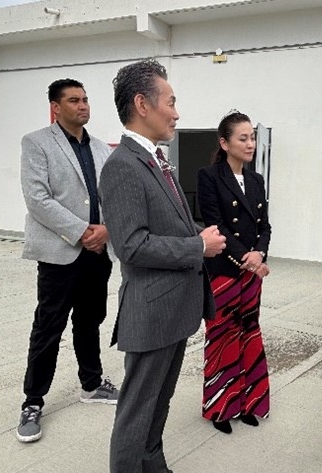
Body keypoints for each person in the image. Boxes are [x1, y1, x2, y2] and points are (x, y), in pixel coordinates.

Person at [98, 60, 226, 473]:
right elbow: (132, 245)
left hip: (172, 311)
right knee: (137, 412)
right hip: (151, 312)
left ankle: (154, 465)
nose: (176, 113)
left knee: (158, 404)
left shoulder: (155, 160)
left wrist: (201, 234)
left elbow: (168, 223)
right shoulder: (122, 165)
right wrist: (197, 246)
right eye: (170, 102)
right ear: (142, 104)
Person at [17, 78, 119, 443]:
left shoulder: (101, 148)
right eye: (74, 100)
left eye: (85, 99)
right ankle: (32, 401)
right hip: (60, 254)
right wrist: (81, 232)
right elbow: (37, 198)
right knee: (48, 327)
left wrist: (106, 230)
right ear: (56, 107)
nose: (83, 105)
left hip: (97, 254)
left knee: (90, 321)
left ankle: (91, 384)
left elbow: (112, 196)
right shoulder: (37, 143)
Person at [196, 111, 271, 434]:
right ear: (224, 143)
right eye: (243, 138)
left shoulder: (256, 180)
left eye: (252, 137)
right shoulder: (209, 176)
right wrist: (248, 258)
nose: (250, 143)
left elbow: (264, 226)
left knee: (249, 331)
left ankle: (250, 402)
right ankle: (220, 406)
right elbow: (216, 225)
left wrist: (260, 253)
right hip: (224, 270)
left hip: (251, 272)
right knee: (222, 335)